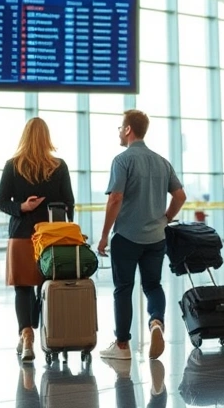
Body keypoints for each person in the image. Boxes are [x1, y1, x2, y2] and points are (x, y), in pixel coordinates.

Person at [97, 109, 186, 361]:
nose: (118, 132)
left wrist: (104, 235)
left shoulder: (122, 160)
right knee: (153, 285)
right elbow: (180, 196)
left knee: (123, 289)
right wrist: (166, 219)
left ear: (128, 130)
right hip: (156, 238)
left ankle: (123, 345)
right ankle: (156, 321)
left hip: (126, 236)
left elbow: (115, 198)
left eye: (119, 127)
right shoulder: (161, 161)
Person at [0, 117, 75, 363]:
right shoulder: (58, 166)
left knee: (23, 288)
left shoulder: (12, 166)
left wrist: (22, 206)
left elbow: (1, 202)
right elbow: (69, 202)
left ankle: (26, 335)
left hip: (20, 235)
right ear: (46, 137)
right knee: (46, 287)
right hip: (50, 237)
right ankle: (48, 337)